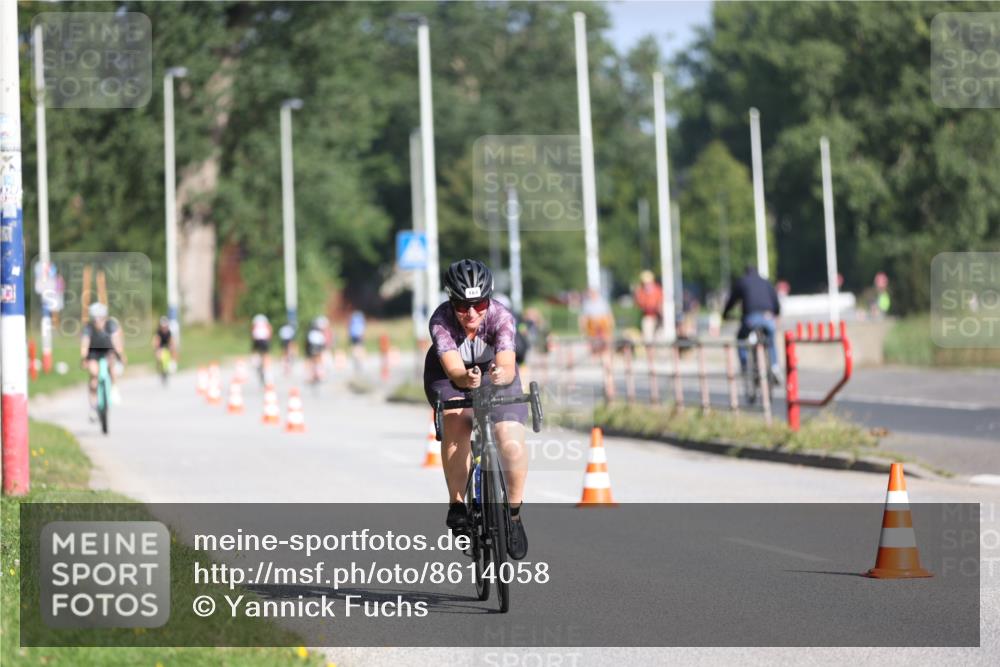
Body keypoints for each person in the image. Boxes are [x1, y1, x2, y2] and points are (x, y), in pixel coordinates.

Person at [423, 259, 529, 560]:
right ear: (450, 300)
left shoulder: (502, 317)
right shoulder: (441, 321)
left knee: (509, 437)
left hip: (494, 371)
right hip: (448, 374)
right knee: (458, 422)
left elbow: (508, 363)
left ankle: (513, 515)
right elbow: (454, 369)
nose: (471, 313)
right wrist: (464, 379)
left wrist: (501, 374)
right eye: (462, 305)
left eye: (479, 304)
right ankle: (457, 505)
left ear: (489, 300)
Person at [722, 265, 781, 382]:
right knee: (770, 340)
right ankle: (774, 366)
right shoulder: (766, 282)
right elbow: (776, 302)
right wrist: (776, 312)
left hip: (751, 317)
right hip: (768, 316)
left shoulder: (742, 282)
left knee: (741, 338)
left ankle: (745, 366)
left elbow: (732, 300)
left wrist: (725, 314)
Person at [81, 302, 126, 421]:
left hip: (108, 351)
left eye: (101, 318)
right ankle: (93, 407)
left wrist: (120, 355)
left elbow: (116, 341)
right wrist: (84, 358)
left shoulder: (111, 325)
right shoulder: (88, 327)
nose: (98, 321)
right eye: (96, 319)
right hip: (93, 353)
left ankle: (114, 389)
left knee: (111, 365)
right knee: (93, 375)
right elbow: (85, 344)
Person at [633, 270, 663, 344]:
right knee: (648, 338)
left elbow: (660, 302)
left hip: (658, 317)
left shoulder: (658, 290)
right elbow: (639, 304)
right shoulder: (641, 291)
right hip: (648, 316)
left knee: (658, 338)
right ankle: (650, 354)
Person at [304, 316, 329, 383]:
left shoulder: (311, 332)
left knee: (313, 362)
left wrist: (307, 351)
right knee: (318, 362)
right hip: (317, 347)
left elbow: (307, 342)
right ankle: (318, 374)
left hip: (312, 347)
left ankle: (313, 375)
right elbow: (322, 343)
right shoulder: (319, 332)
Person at [250, 314, 273, 383]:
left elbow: (253, 328)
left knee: (255, 351)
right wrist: (269, 337)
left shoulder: (256, 319)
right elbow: (269, 328)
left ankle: (255, 362)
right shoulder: (264, 320)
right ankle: (266, 369)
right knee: (265, 354)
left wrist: (252, 336)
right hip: (264, 338)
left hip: (257, 338)